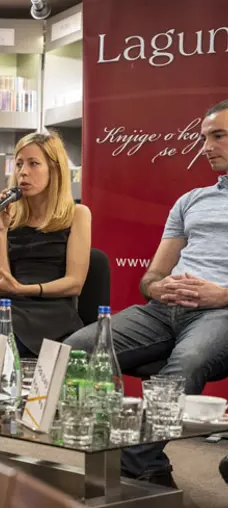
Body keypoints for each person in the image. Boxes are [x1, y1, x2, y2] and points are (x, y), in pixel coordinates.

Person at [64, 99, 228, 487]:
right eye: (204, 137)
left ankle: (133, 462)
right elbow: (151, 276)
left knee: (187, 363)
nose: (206, 147)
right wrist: (159, 286)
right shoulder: (191, 200)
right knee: (74, 351)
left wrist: (222, 295)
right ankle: (138, 461)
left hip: (220, 311)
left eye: (218, 136)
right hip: (163, 309)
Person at [0, 131, 92, 356]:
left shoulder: (77, 215)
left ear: (54, 169)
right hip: (12, 305)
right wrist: (0, 230)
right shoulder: (12, 215)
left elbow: (74, 284)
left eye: (33, 164)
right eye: (19, 164)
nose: (23, 172)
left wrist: (23, 289)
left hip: (53, 312)